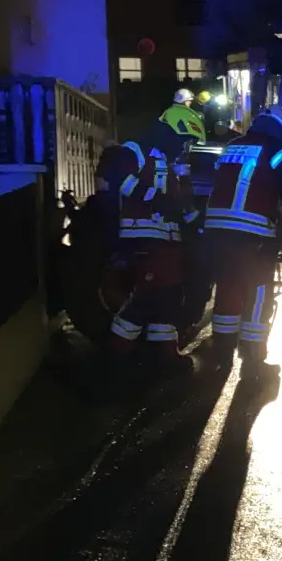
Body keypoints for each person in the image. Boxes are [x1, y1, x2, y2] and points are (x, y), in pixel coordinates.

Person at [204, 104, 282, 375]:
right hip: (253, 233)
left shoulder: (232, 146)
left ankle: (222, 354)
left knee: (228, 286)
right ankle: (252, 361)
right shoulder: (279, 152)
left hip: (216, 231)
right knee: (258, 292)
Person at [104, 115, 201, 379]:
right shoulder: (136, 150)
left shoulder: (170, 161)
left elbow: (180, 201)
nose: (186, 147)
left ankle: (165, 353)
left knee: (167, 296)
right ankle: (116, 354)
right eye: (185, 141)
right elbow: (118, 178)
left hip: (166, 239)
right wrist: (153, 198)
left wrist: (197, 224)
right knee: (148, 297)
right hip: (143, 235)